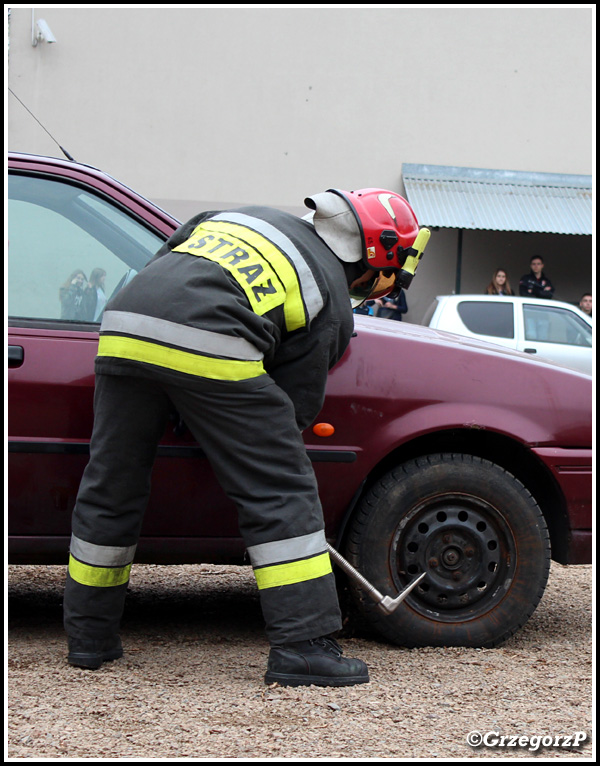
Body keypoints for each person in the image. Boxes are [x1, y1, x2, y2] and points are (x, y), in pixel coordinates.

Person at [62, 188, 429, 687]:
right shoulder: (330, 296)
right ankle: (303, 646)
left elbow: (167, 262)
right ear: (380, 254)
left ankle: (89, 638)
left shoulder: (239, 217)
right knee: (281, 485)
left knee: (112, 482)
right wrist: (224, 427)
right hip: (209, 338)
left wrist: (187, 400)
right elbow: (292, 409)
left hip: (126, 328)